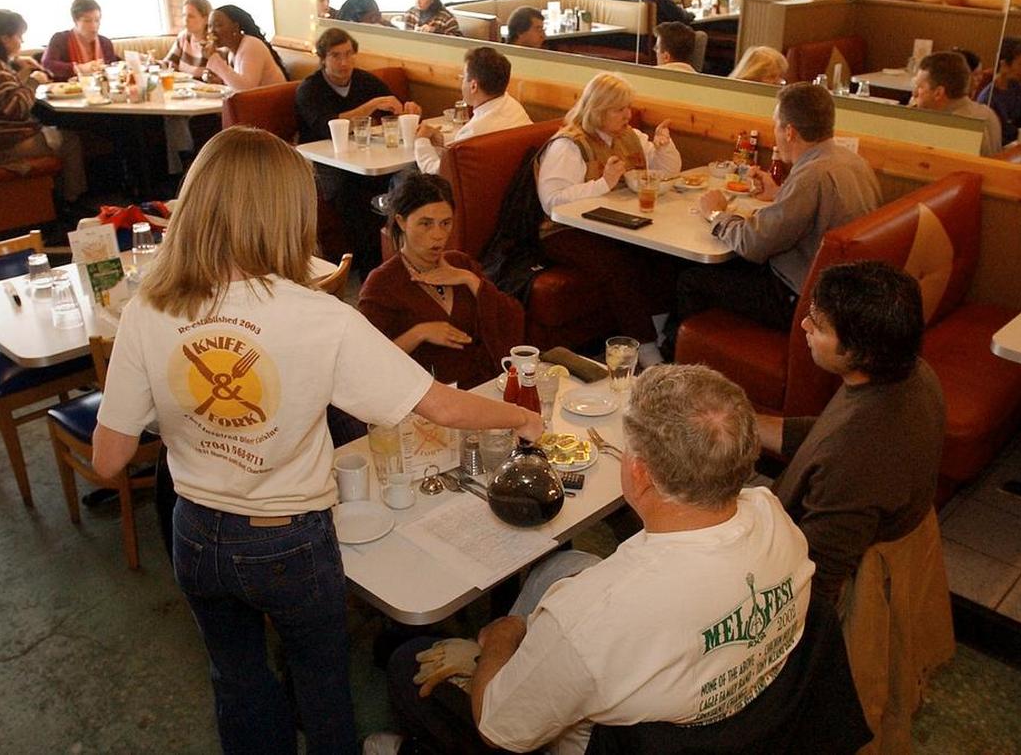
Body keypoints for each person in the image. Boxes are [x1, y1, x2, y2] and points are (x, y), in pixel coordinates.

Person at [92, 126, 543, 755]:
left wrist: (193, 424)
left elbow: (109, 459)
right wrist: (521, 419)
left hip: (195, 530)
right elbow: (439, 406)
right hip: (289, 536)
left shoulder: (148, 307)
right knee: (322, 683)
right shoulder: (320, 315)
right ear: (287, 212)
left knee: (237, 679)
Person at [382, 364, 814, 755]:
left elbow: (498, 728)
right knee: (561, 568)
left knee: (406, 663)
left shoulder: (593, 620)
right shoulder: (772, 515)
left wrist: (501, 639)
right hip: (742, 710)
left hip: (606, 741)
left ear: (640, 473)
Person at [757, 261, 945, 604]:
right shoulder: (912, 373)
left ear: (860, 351)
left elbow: (816, 578)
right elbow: (828, 432)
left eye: (820, 325)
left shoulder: (856, 457)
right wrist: (744, 425)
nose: (804, 325)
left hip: (800, 566)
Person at [670, 83, 881, 342]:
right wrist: (781, 193)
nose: (776, 132)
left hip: (798, 299)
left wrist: (716, 214)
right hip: (842, 292)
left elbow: (753, 244)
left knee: (690, 280)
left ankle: (673, 360)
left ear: (789, 131)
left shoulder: (811, 176)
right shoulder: (853, 162)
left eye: (776, 124)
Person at [537, 72, 681, 365]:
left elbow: (666, 172)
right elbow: (551, 200)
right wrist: (603, 183)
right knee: (618, 264)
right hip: (562, 231)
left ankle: (660, 331)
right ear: (597, 110)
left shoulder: (630, 136)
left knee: (663, 255)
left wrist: (664, 146)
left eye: (629, 107)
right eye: (619, 109)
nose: (628, 114)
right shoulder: (568, 145)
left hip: (610, 225)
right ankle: (647, 349)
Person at [359, 173, 524, 389]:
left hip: (480, 387)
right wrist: (419, 333)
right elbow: (365, 360)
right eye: (426, 224)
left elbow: (513, 320)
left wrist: (471, 281)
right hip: (423, 397)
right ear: (401, 222)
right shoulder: (382, 284)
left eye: (446, 223)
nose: (438, 235)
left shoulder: (461, 263)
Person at [295, 27, 423, 272]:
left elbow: (394, 108)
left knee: (409, 177)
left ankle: (401, 258)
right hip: (326, 164)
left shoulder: (365, 81)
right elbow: (328, 126)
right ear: (322, 59)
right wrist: (372, 105)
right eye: (335, 56)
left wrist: (409, 110)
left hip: (365, 160)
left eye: (348, 54)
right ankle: (370, 269)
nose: (344, 62)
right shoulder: (310, 89)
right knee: (349, 195)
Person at [0, 9, 86, 203]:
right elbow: (18, 108)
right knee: (70, 140)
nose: (21, 41)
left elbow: (5, 94)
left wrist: (16, 63)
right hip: (5, 143)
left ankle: (60, 197)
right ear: (5, 38)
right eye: (19, 36)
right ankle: (72, 199)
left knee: (59, 132)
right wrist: (34, 80)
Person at [413, 46, 531, 175]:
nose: (462, 82)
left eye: (463, 77)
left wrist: (421, 140)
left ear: (473, 86)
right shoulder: (514, 107)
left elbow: (436, 173)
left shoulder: (474, 132)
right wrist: (440, 146)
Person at [910, 51, 1002, 156]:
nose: (914, 92)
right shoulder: (988, 113)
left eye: (920, 87)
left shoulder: (951, 128)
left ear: (938, 93)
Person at [202, 4, 288, 91]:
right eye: (209, 26)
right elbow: (238, 83)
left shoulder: (251, 45)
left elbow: (246, 88)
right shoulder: (232, 51)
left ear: (235, 27)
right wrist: (220, 81)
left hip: (273, 101)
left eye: (218, 25)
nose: (211, 31)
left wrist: (214, 58)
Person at [41, 0, 119, 80]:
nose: (94, 26)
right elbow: (48, 63)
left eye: (97, 20)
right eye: (87, 21)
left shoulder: (105, 43)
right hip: (70, 90)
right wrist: (79, 68)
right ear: (75, 21)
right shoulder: (60, 39)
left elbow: (113, 67)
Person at [977, 37, 1021, 145]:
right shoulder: (989, 98)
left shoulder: (1015, 86)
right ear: (1004, 64)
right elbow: (992, 137)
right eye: (1020, 64)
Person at [163, 0, 212, 80]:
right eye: (184, 15)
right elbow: (168, 64)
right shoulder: (184, 37)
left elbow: (214, 79)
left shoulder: (213, 43)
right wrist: (152, 62)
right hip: (182, 89)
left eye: (191, 16)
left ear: (206, 19)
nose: (185, 20)